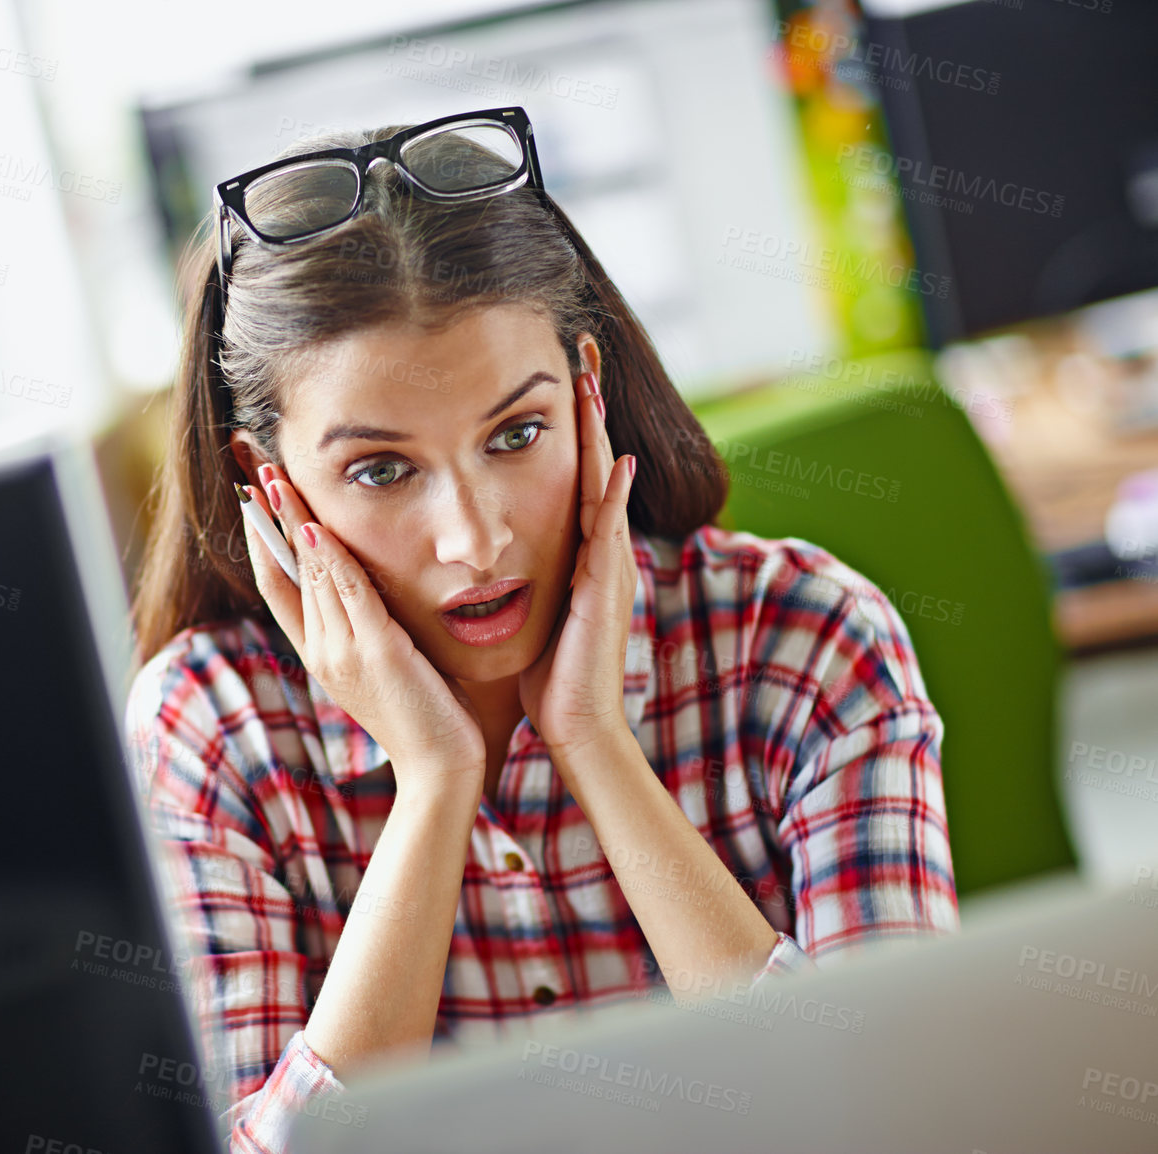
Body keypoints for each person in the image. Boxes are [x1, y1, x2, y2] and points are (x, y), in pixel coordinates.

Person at [122, 107, 957, 1154]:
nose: (474, 541)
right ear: (267, 484)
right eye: (382, 469)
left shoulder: (804, 642)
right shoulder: (215, 727)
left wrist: (595, 746)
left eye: (517, 433)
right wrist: (432, 782)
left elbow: (897, 1120)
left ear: (586, 392)